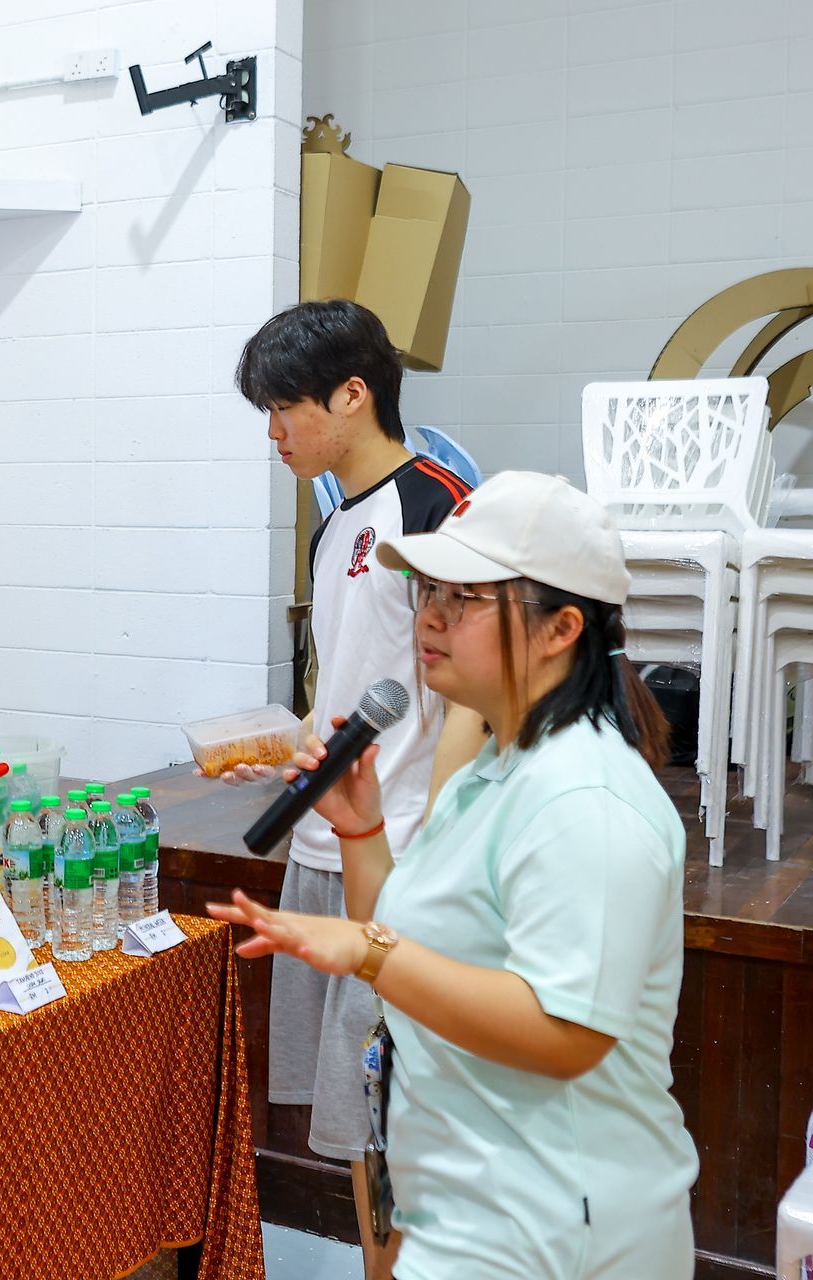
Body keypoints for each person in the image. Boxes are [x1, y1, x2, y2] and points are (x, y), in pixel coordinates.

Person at [210, 471, 697, 1279]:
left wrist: (368, 956)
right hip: (471, 1206)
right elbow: (405, 933)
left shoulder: (586, 799)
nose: (429, 616)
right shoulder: (494, 768)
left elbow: (565, 1033)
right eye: (429, 589)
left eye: (465, 598)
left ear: (560, 628)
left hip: (558, 1226)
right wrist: (362, 825)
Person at [232, 299, 486, 1275]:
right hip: (322, 848)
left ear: (353, 391)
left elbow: (471, 691)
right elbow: (338, 691)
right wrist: (287, 743)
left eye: (284, 407)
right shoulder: (333, 526)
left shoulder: (435, 505)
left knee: (395, 1107)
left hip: (403, 851)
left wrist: (437, 838)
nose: (273, 431)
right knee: (353, 1108)